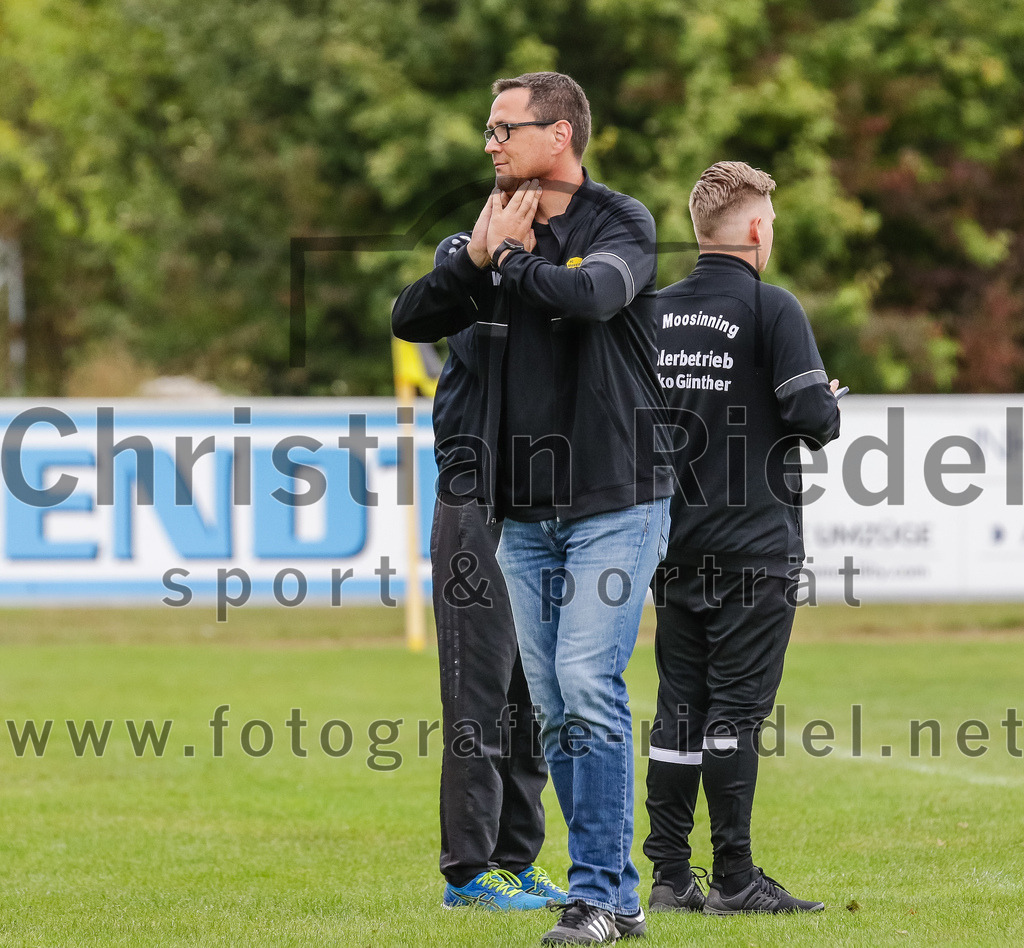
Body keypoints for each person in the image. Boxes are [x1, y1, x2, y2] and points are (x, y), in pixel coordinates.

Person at [393, 71, 673, 945]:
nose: (490, 142)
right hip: (523, 514)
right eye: (487, 128)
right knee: (553, 706)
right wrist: (477, 258)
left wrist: (511, 260)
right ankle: (615, 897)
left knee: (589, 683)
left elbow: (592, 297)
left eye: (505, 127)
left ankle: (599, 897)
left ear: (560, 137)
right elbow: (410, 316)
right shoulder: (481, 237)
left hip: (617, 497)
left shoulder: (619, 223)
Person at [643, 161, 842, 915]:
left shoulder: (654, 311)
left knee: (678, 712)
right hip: (754, 546)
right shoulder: (772, 307)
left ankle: (666, 877)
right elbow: (812, 421)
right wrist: (823, 398)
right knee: (734, 715)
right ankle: (734, 878)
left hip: (673, 543)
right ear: (757, 229)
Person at [422, 234, 566, 912]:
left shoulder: (557, 272)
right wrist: (505, 267)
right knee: (476, 695)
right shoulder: (468, 269)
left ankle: (517, 860)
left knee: (528, 698)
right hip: (472, 503)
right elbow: (477, 329)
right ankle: (468, 873)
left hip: (534, 508)